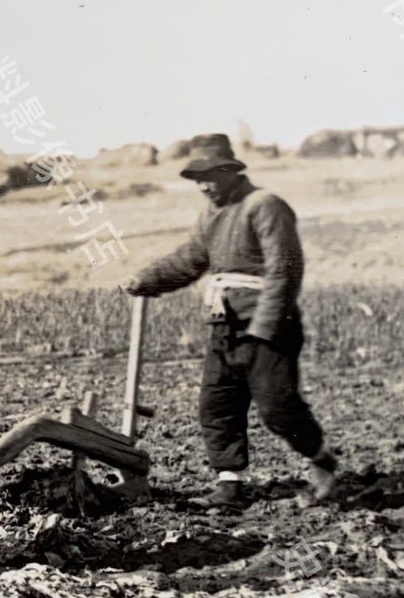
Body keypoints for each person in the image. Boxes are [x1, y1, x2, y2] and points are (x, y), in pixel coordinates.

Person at [123, 133, 339, 508]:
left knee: (277, 406)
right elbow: (191, 259)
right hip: (224, 324)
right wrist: (147, 279)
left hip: (266, 324)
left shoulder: (264, 205)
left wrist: (263, 329)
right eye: (197, 179)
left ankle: (321, 460)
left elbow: (284, 270)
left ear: (231, 171)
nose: (203, 186)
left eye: (210, 176)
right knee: (217, 404)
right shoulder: (211, 215)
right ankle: (229, 483)